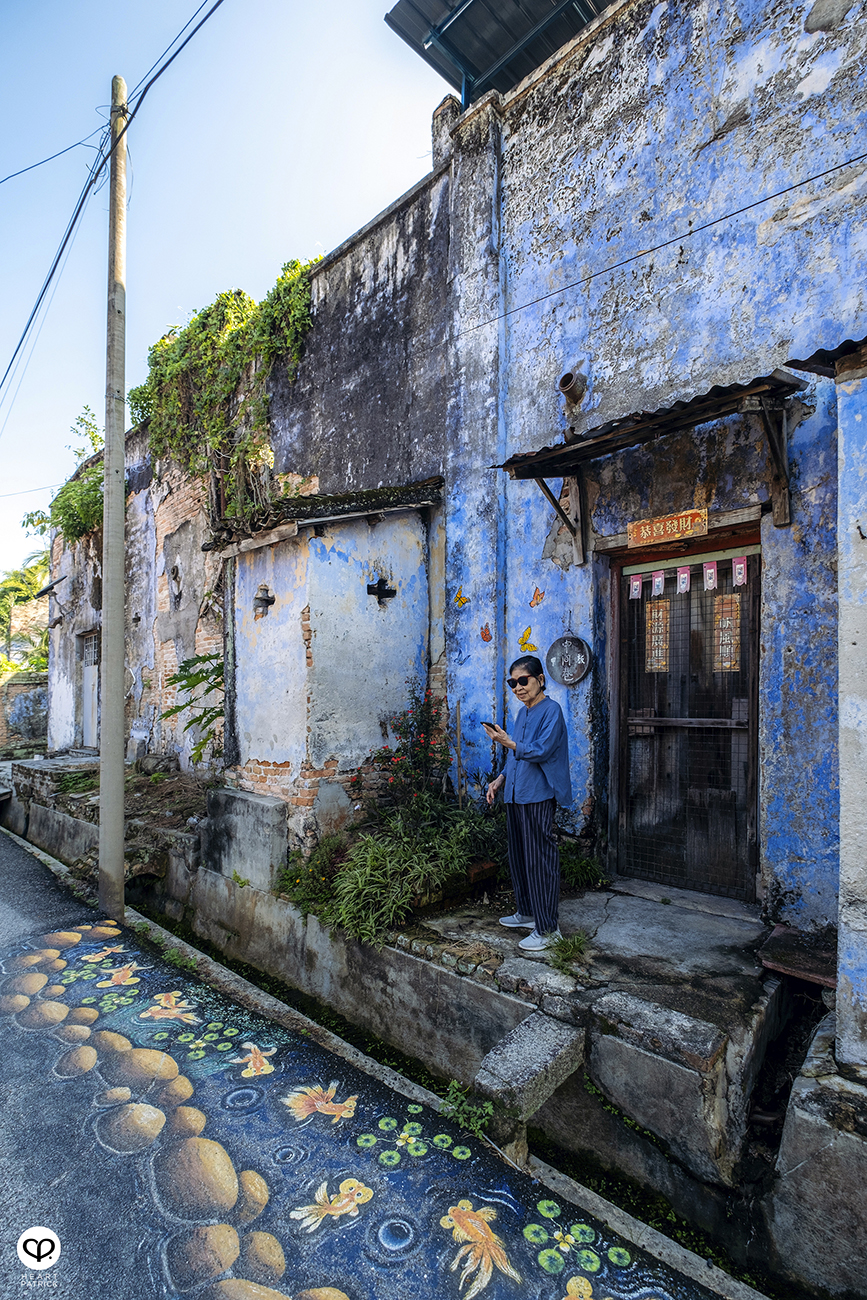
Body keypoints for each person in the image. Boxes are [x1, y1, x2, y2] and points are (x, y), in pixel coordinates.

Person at [483, 655, 571, 952]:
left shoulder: (552, 710)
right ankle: (527, 912)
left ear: (540, 680)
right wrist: (499, 780)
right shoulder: (522, 713)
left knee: (539, 860)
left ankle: (548, 929)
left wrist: (507, 742)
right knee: (519, 856)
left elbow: (541, 750)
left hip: (538, 795)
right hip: (515, 794)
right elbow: (515, 756)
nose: (518, 687)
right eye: (513, 682)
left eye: (523, 680)